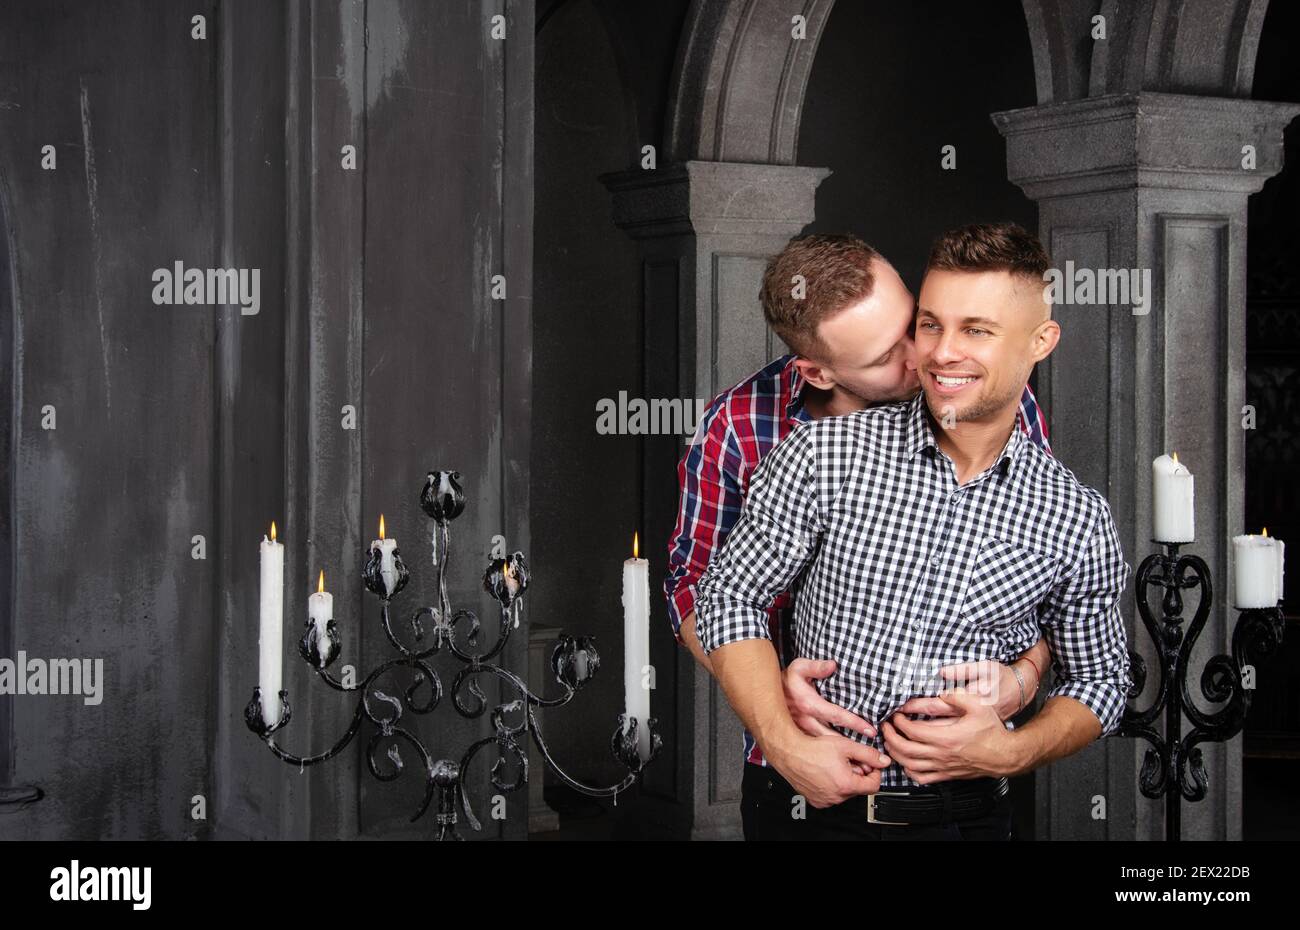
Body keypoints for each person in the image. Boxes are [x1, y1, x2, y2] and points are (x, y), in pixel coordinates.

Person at [692, 222, 1132, 840]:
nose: (939, 352)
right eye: (930, 324)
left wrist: (1014, 740)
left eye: (975, 329)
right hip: (816, 814)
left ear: (1041, 341)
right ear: (820, 371)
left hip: (968, 821)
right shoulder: (818, 452)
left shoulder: (1074, 513)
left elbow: (1102, 677)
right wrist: (784, 739)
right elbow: (722, 594)